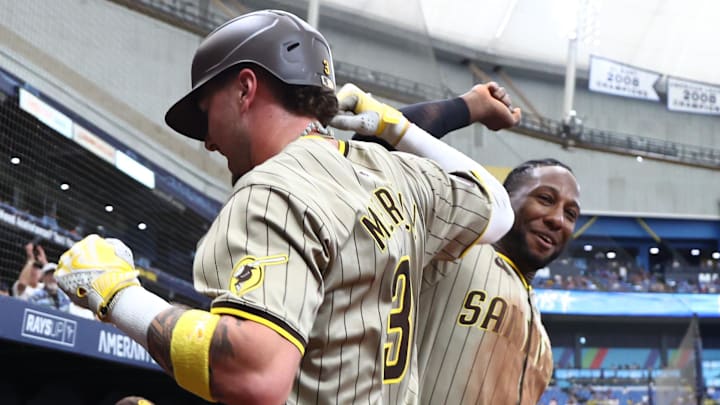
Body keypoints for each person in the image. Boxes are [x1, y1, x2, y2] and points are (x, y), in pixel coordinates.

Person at [54, 9, 519, 405]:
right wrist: (397, 127)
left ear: (245, 88)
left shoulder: (272, 189)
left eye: (206, 112)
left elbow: (255, 375)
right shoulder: (392, 171)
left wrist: (117, 296)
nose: (210, 140)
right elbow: (498, 208)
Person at [333, 86, 580, 405]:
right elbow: (372, 152)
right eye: (545, 199)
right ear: (506, 197)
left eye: (571, 214)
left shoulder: (543, 349)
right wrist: (468, 107)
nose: (558, 219)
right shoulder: (453, 245)